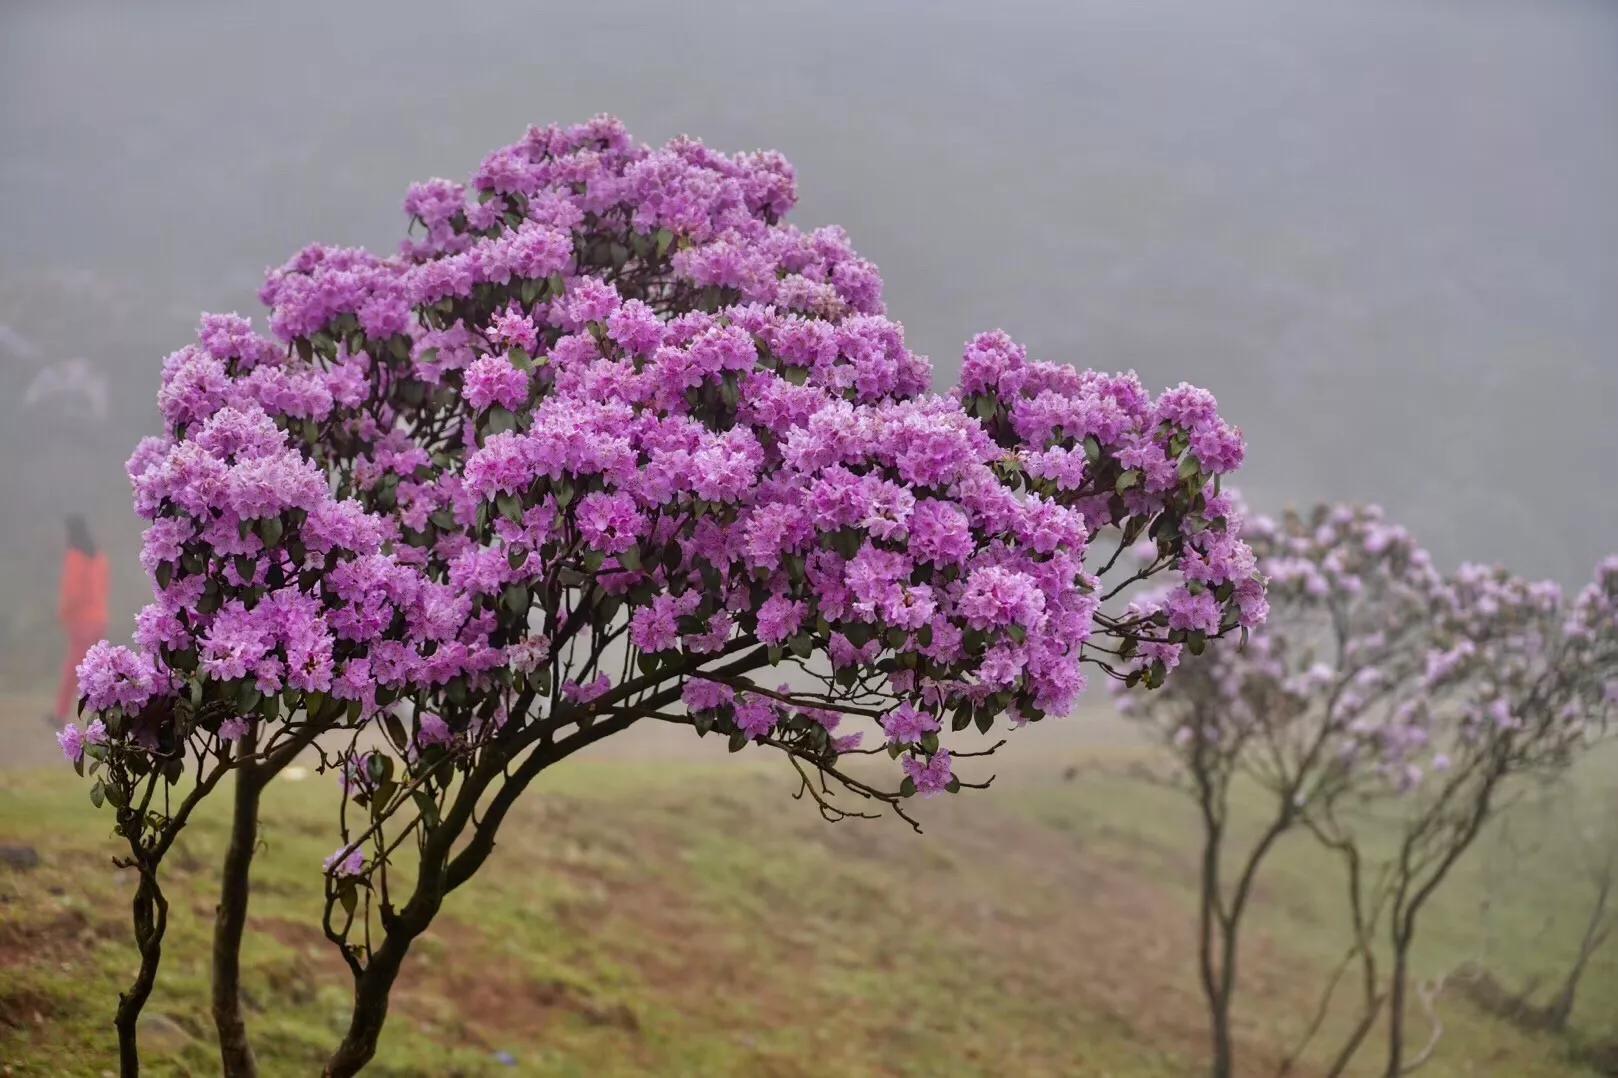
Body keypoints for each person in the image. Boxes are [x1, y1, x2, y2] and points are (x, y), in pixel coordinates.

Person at [54, 515, 108, 724]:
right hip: (99, 618)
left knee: (73, 669)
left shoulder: (75, 556)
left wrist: (63, 613)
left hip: (82, 620)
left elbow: (72, 593)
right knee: (99, 669)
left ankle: (61, 713)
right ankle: (105, 712)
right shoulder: (99, 557)